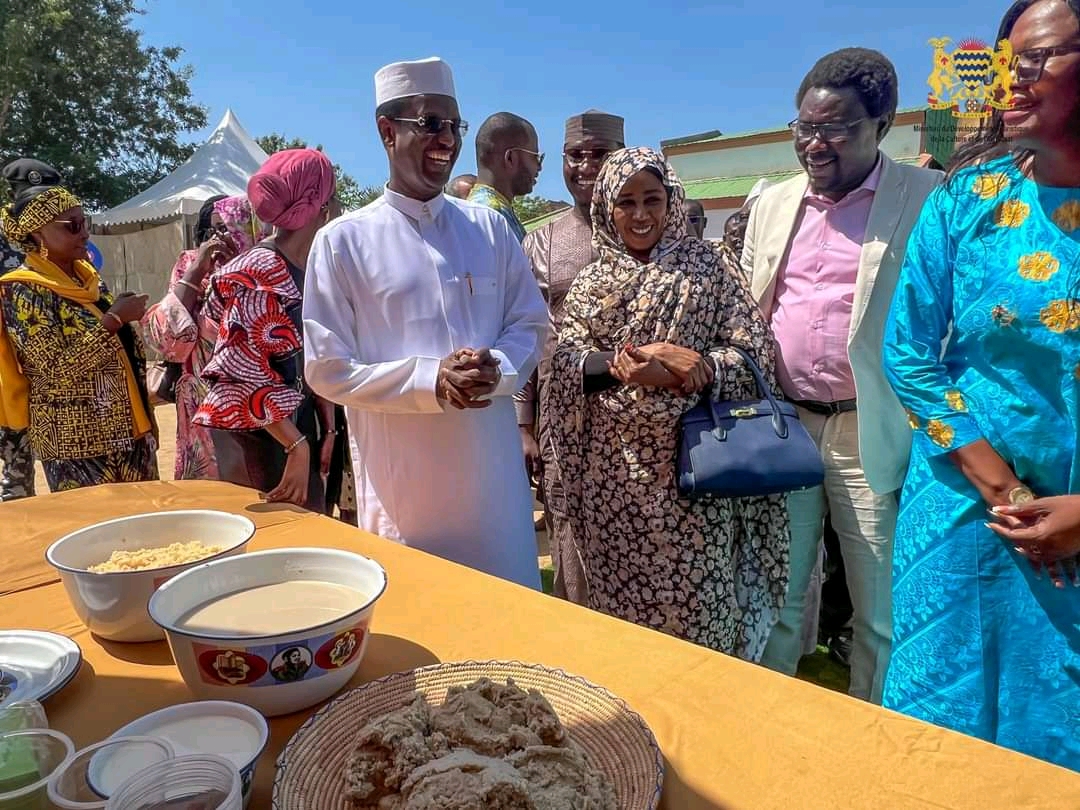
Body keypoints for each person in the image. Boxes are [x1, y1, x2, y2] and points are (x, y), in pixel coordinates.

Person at [882, 0, 1080, 770]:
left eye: (1037, 60)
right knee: (942, 725)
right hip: (966, 513)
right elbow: (908, 352)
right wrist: (999, 486)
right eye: (1006, 62)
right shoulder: (966, 198)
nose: (1012, 80)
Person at [742, 48, 942, 702]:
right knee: (779, 594)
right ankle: (765, 723)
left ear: (881, 126)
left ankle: (872, 736)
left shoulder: (925, 199)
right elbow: (751, 305)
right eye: (804, 128)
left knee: (879, 608)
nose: (814, 144)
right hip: (788, 427)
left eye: (835, 129)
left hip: (870, 430)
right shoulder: (773, 201)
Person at [303, 56, 548, 589]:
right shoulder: (344, 241)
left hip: (495, 496)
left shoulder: (490, 230)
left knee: (512, 635)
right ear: (386, 131)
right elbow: (326, 368)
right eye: (429, 124)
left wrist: (498, 366)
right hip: (406, 500)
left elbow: (530, 323)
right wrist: (428, 381)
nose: (446, 139)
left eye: (453, 125)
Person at [548, 147, 789, 658]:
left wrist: (696, 368)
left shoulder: (710, 267)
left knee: (702, 612)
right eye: (626, 202)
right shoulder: (593, 282)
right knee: (625, 632)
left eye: (652, 199)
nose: (640, 215)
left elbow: (755, 353)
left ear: (672, 200)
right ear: (606, 210)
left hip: (699, 474)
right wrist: (639, 360)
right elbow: (566, 365)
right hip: (616, 484)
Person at [193, 149, 341, 511]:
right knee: (276, 548)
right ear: (320, 205)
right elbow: (238, 373)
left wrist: (324, 431)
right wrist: (295, 445)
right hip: (261, 443)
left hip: (289, 432)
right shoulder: (260, 271)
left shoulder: (302, 267)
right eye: (333, 195)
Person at [517, 109, 625, 604]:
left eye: (598, 155)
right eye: (574, 156)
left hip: (638, 423)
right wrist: (523, 423)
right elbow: (526, 334)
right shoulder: (541, 241)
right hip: (562, 422)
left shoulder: (646, 229)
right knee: (570, 541)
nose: (585, 166)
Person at [0, 158, 158, 490]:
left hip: (128, 431)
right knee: (95, 534)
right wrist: (114, 319)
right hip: (74, 440)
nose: (84, 233)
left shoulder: (88, 280)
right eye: (71, 226)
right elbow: (55, 369)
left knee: (147, 530)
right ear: (37, 231)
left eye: (84, 222)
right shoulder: (24, 289)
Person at [143, 195, 263, 480]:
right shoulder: (190, 266)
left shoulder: (263, 270)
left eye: (228, 228)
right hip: (199, 404)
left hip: (250, 400)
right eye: (212, 231)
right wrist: (196, 273)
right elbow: (168, 341)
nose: (219, 238)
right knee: (208, 491)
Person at [467, 112, 542, 242]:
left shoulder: (485, 211)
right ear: (510, 158)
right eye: (535, 157)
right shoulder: (490, 216)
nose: (539, 167)